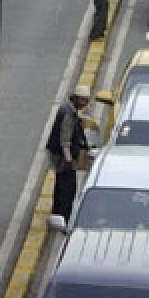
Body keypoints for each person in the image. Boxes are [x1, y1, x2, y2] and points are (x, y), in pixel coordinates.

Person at [46, 85, 90, 220]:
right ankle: (63, 217)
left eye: (86, 101)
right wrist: (69, 160)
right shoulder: (68, 115)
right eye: (81, 100)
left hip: (60, 156)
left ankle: (57, 214)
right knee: (68, 189)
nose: (84, 104)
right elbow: (65, 141)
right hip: (63, 158)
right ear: (75, 98)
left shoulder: (67, 109)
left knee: (60, 187)